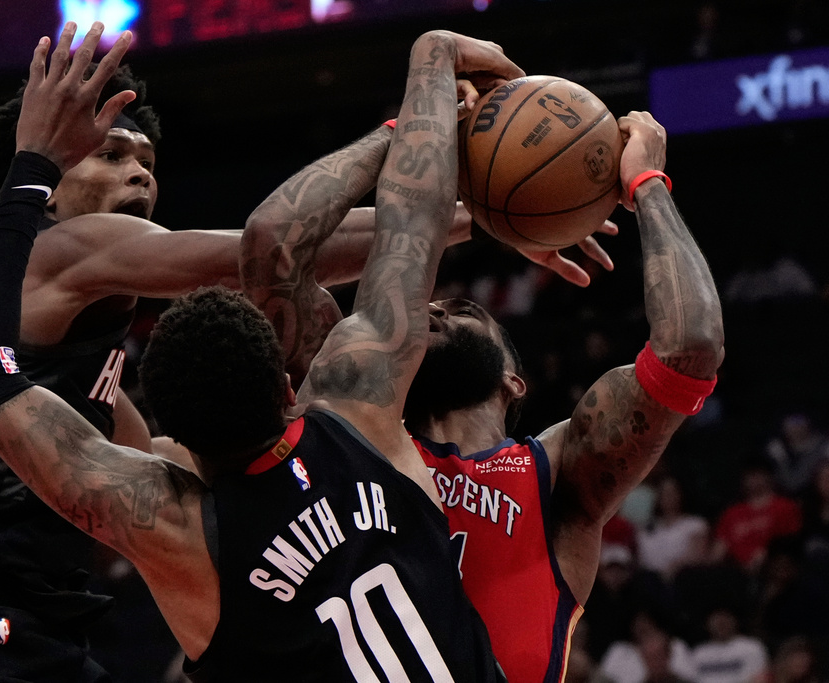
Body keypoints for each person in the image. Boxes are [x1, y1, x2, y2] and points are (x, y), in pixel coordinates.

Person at [0, 19, 505, 683]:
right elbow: (258, 255)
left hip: (38, 620)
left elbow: (151, 454)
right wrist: (480, 213)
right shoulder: (60, 247)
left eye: (147, 163)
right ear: (46, 190)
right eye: (110, 156)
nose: (138, 173)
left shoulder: (94, 325)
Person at [249, 104, 725, 682]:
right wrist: (417, 127)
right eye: (436, 305)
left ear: (512, 380)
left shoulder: (558, 473)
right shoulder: (345, 426)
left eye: (465, 311)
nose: (436, 306)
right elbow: (275, 251)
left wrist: (646, 181)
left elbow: (690, 350)